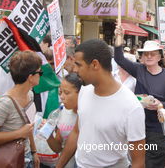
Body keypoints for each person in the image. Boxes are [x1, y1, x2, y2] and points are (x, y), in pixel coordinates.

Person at [56, 39, 145, 168]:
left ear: (95, 64)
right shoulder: (84, 91)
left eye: (78, 65)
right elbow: (77, 132)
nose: (74, 69)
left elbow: (138, 162)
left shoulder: (131, 107)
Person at [114, 26, 165, 167]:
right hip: (136, 127)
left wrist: (160, 105)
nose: (149, 57)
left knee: (153, 164)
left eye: (153, 54)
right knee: (136, 162)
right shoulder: (139, 69)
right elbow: (119, 58)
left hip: (156, 130)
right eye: (146, 54)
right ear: (142, 57)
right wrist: (119, 36)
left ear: (159, 56)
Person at [0, 51, 40, 168]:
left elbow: (29, 127)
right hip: (7, 160)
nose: (41, 75)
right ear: (30, 77)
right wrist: (18, 133)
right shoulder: (5, 103)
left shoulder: (30, 95)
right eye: (39, 72)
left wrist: (34, 151)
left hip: (26, 158)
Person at [47, 73, 81, 168]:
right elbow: (58, 148)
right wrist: (48, 135)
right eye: (60, 92)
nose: (61, 97)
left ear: (81, 93)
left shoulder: (87, 116)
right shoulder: (61, 112)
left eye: (66, 92)